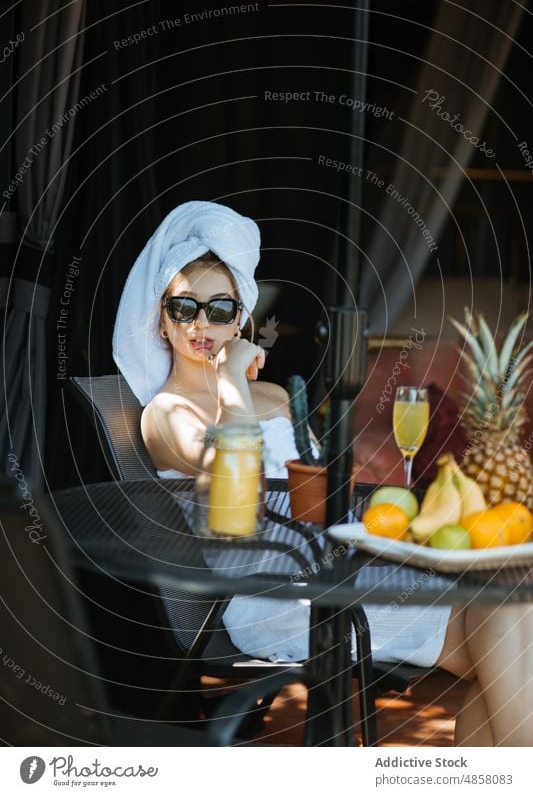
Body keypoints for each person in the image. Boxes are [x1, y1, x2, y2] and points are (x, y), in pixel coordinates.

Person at [113, 200, 533, 747]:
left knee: (507, 625)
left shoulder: (269, 393)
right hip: (267, 592)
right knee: (505, 623)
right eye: (184, 308)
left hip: (329, 571)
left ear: (240, 318)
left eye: (220, 310)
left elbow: (313, 486)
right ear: (160, 317)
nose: (201, 325)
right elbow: (232, 493)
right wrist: (233, 381)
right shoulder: (168, 413)